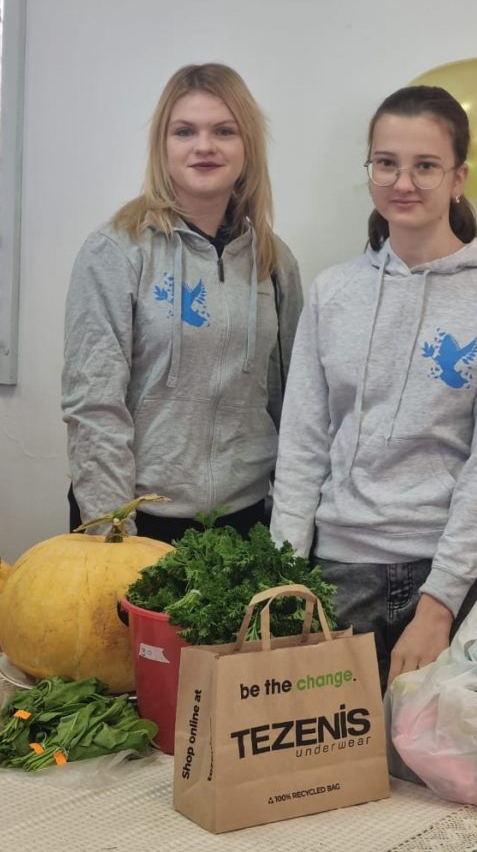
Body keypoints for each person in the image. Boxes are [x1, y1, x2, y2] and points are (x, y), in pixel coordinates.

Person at [270, 85, 477, 691]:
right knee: (334, 756)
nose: (403, 182)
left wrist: (438, 605)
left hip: (459, 573)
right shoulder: (334, 292)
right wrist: (285, 579)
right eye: (386, 163)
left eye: (426, 166)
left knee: (456, 756)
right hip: (341, 573)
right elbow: (303, 446)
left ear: (459, 177)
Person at [63, 63, 303, 543]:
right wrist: (114, 533)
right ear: (163, 145)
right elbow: (94, 404)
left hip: (243, 521)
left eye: (224, 131)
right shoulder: (116, 251)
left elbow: (292, 405)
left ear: (248, 146)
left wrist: (289, 527)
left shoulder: (273, 262)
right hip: (135, 518)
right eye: (185, 131)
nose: (204, 146)